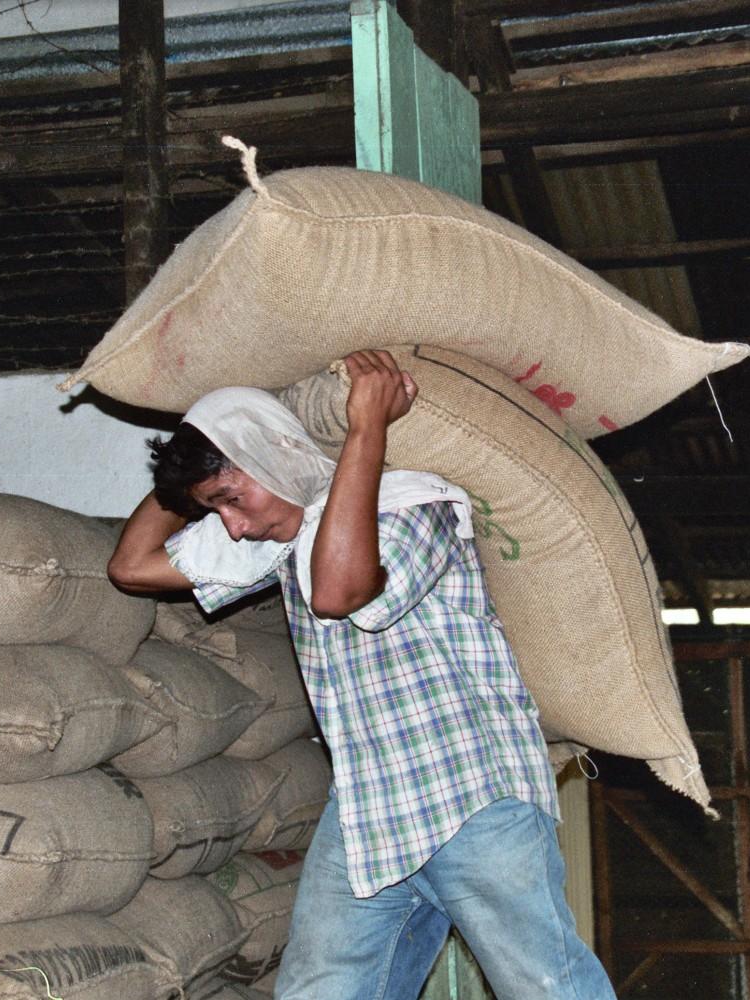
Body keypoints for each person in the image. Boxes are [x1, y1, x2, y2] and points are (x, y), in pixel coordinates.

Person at [108, 350, 617, 1000]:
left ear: (274, 455)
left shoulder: (414, 501)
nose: (232, 526)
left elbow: (338, 592)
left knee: (547, 987)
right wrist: (186, 469)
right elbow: (131, 567)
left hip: (471, 796)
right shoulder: (274, 538)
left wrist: (366, 426)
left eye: (232, 499)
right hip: (368, 809)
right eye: (217, 509)